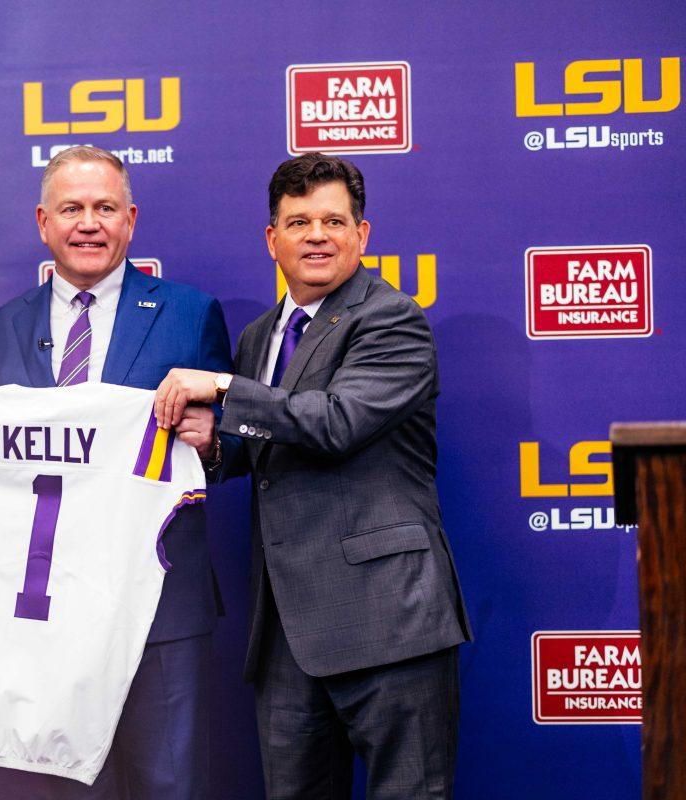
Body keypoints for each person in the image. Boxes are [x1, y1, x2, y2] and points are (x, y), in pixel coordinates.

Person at [154, 153, 471, 799]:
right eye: (299, 222)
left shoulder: (392, 318)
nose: (318, 235)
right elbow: (257, 448)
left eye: (334, 220)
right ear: (273, 239)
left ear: (363, 234)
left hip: (389, 623)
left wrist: (220, 386)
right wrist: (211, 444)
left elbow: (337, 422)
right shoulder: (258, 336)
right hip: (287, 637)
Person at [0, 145, 233, 799]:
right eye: (72, 209)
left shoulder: (191, 315)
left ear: (130, 219)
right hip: (46, 613)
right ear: (43, 222)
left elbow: (234, 448)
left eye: (105, 208)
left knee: (166, 786)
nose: (89, 223)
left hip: (160, 611)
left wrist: (215, 443)